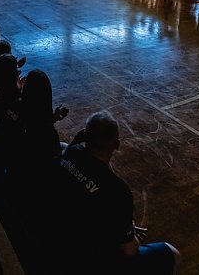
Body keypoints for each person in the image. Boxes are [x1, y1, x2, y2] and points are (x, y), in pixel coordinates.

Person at [54, 111, 179, 274]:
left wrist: (122, 225)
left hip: (60, 237)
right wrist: (128, 232)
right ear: (117, 145)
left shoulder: (71, 152)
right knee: (172, 253)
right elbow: (130, 250)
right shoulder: (117, 191)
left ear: (85, 136)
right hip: (91, 260)